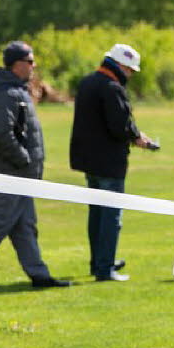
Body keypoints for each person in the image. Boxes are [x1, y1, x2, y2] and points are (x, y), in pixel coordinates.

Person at [0, 40, 68, 291]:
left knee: (24, 227)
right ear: (16, 64)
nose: (34, 66)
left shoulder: (17, 91)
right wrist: (25, 160)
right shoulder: (7, 94)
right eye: (30, 61)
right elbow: (1, 134)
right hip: (9, 175)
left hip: (21, 176)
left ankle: (39, 275)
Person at [69, 43, 154, 283]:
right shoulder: (112, 88)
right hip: (108, 162)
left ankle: (99, 262)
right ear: (121, 66)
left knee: (96, 213)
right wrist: (138, 138)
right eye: (130, 70)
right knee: (111, 216)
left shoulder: (87, 83)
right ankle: (105, 268)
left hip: (89, 161)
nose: (131, 75)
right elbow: (119, 126)